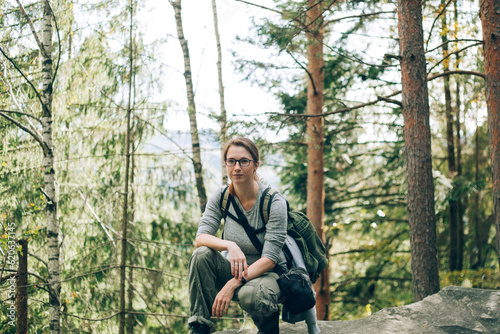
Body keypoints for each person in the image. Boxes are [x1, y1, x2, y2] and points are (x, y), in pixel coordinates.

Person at [188, 137, 288, 334]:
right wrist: (230, 246)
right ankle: (199, 327)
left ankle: (268, 329)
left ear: (256, 164)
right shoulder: (222, 196)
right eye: (231, 161)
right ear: (226, 164)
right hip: (233, 270)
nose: (237, 167)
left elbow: (270, 259)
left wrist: (232, 284)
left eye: (244, 161)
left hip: (268, 275)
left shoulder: (274, 202)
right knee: (201, 255)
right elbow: (201, 238)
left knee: (250, 295)